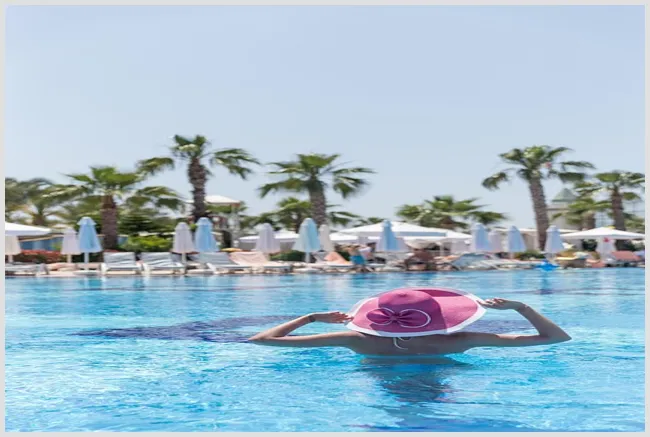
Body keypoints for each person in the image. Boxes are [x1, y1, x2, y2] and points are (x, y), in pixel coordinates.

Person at [248, 287, 571, 356]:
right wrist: (521, 308)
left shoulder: (353, 339)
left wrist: (310, 318)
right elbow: (556, 338)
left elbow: (261, 340)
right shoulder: (460, 341)